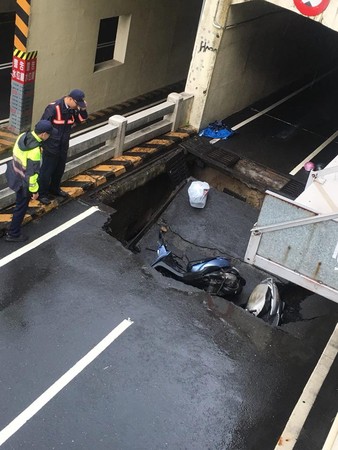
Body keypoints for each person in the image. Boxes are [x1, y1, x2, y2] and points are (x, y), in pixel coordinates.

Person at [5, 120, 57, 242]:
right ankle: (13, 233)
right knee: (21, 207)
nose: (49, 136)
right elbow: (32, 175)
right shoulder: (34, 152)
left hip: (14, 174)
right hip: (24, 184)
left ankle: (13, 229)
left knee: (19, 205)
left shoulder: (22, 136)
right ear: (43, 134)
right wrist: (34, 191)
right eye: (49, 134)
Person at [38, 89, 88, 205]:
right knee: (46, 171)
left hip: (63, 145)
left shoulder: (73, 109)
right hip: (51, 146)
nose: (77, 106)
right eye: (77, 104)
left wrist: (83, 109)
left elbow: (81, 120)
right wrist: (41, 144)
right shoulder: (53, 108)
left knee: (59, 169)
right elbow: (42, 126)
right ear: (70, 99)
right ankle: (42, 193)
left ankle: (54, 189)